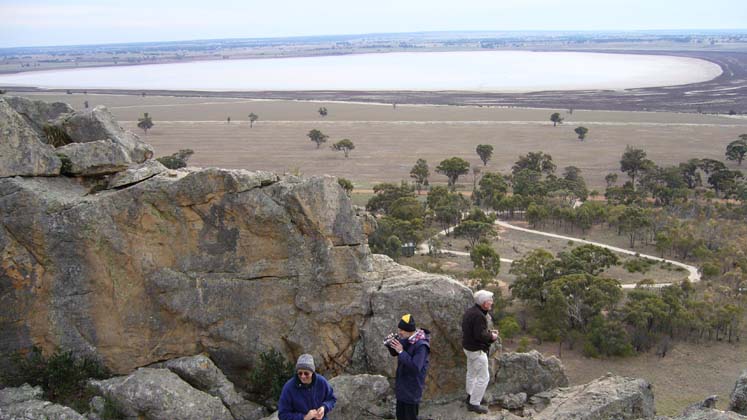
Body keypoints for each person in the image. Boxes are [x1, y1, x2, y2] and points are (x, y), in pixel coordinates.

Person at [385, 313, 431, 420]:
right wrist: (391, 344)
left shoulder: (421, 346)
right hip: (402, 386)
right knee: (400, 415)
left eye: (402, 330)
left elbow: (415, 367)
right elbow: (395, 353)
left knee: (410, 417)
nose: (399, 333)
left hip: (412, 389)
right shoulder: (408, 339)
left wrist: (401, 351)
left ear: (409, 330)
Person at [461, 290, 499, 414]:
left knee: (471, 373)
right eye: (490, 301)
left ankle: (470, 396)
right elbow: (480, 335)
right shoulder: (479, 316)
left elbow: (474, 331)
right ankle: (474, 403)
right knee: (484, 377)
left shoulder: (470, 312)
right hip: (476, 350)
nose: (492, 302)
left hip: (468, 348)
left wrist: (488, 333)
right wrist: (492, 336)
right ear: (484, 303)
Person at [278, 354, 336, 420]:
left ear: (312, 372)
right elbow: (283, 415)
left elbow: (331, 399)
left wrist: (324, 407)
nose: (303, 376)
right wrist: (304, 417)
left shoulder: (321, 381)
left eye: (306, 373)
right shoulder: (289, 387)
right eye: (300, 373)